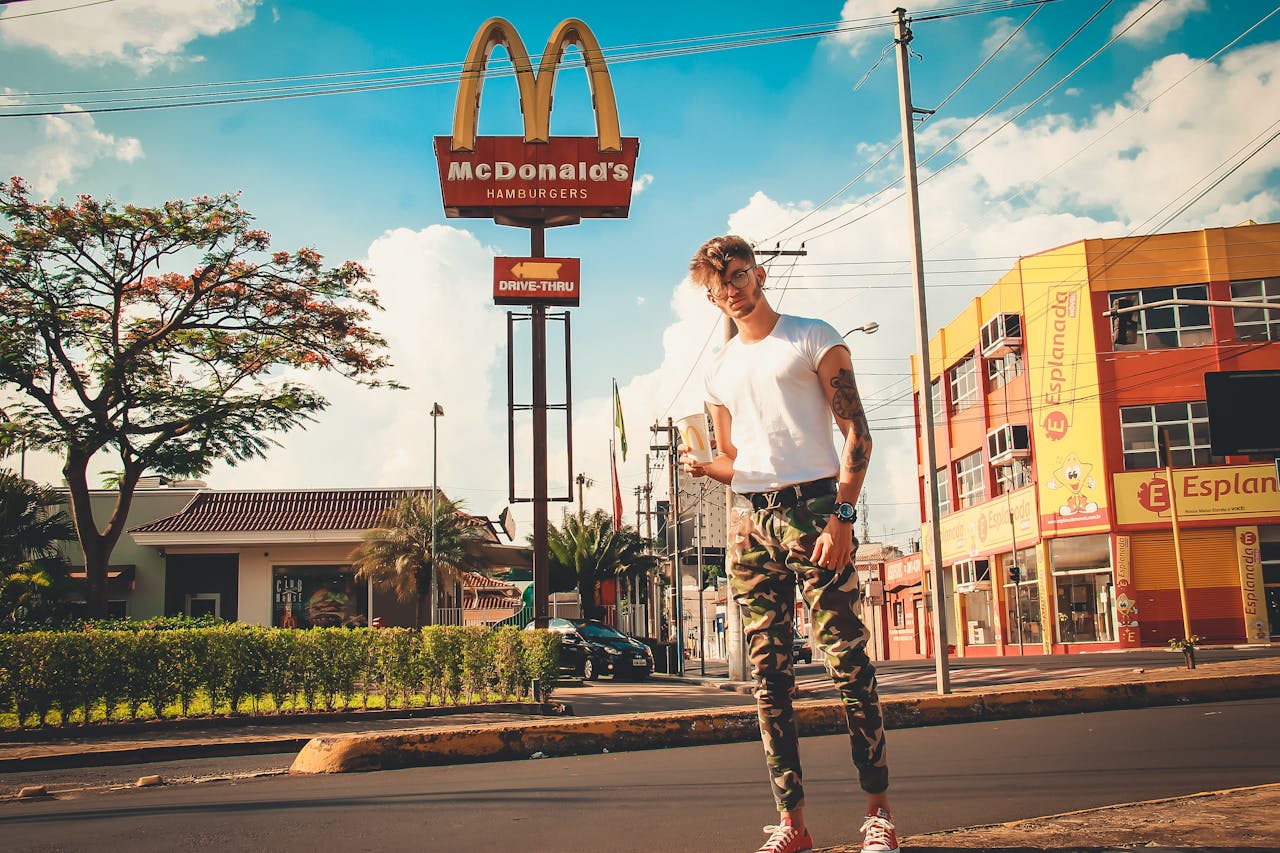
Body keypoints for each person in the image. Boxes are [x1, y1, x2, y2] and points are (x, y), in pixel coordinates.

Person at [680, 235, 897, 853]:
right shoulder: (719, 370)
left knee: (846, 665)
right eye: (719, 287)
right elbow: (734, 460)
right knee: (768, 678)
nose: (733, 292)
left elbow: (857, 434)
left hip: (815, 512)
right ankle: (793, 825)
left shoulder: (812, 336)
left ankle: (878, 815)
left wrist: (844, 518)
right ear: (711, 295)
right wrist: (705, 467)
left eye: (741, 276)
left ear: (760, 273)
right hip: (748, 523)